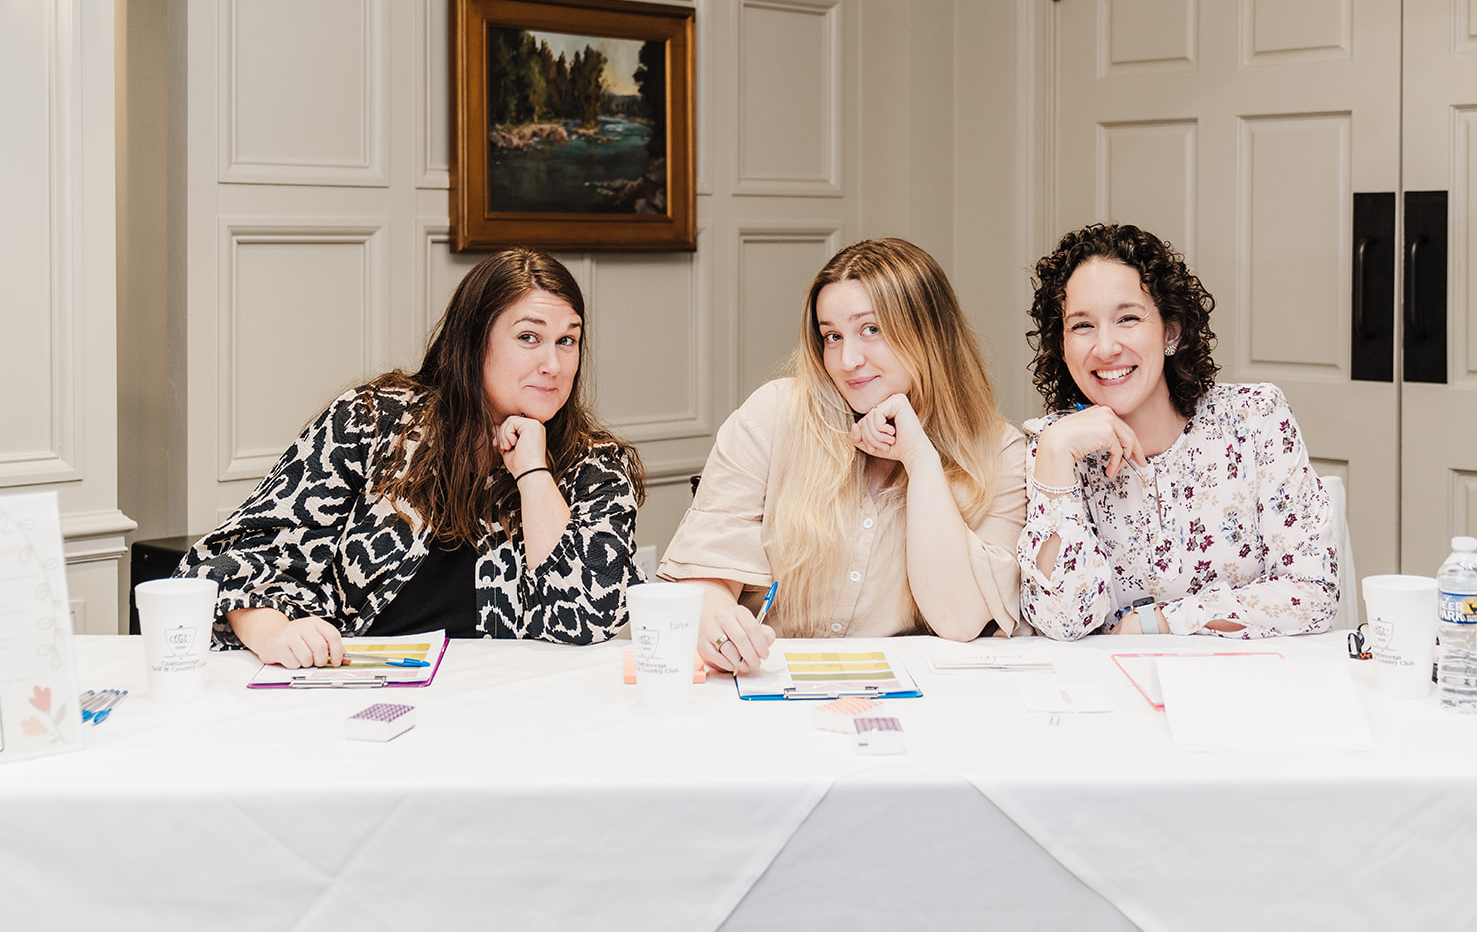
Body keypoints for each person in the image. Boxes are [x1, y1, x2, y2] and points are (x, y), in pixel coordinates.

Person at [176, 248, 644, 667]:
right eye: (528, 337)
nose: (553, 365)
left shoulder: (595, 466)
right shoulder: (371, 423)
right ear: (473, 341)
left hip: (515, 708)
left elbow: (588, 615)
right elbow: (229, 562)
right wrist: (272, 632)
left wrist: (534, 474)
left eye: (567, 341)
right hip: (356, 696)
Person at [657, 237, 1027, 674]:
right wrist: (719, 625)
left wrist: (920, 459)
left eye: (871, 329)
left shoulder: (1000, 455)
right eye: (832, 336)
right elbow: (706, 576)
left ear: (930, 334)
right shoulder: (774, 415)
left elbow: (958, 619)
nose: (847, 360)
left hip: (914, 698)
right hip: (768, 683)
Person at [1019, 223, 1337, 640]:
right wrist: (1055, 453)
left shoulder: (1255, 418)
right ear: (1062, 345)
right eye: (1082, 326)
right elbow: (1063, 622)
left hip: (1248, 678)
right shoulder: (1054, 447)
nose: (1106, 347)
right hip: (1115, 681)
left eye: (1128, 318)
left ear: (1171, 330)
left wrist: (1165, 620)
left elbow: (1313, 593)